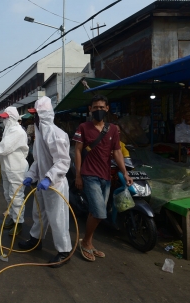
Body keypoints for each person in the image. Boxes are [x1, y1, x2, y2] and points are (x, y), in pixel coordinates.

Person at [73, 94, 133, 262]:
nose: (98, 110)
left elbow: (117, 152)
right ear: (90, 109)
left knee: (95, 211)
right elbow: (77, 150)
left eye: (101, 107)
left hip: (105, 176)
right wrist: (78, 174)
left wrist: (125, 173)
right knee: (99, 213)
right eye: (95, 107)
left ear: (107, 109)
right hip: (89, 174)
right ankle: (85, 242)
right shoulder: (83, 127)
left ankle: (89, 243)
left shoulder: (113, 129)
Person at [19, 96, 72, 268]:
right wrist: (31, 175)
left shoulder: (56, 135)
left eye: (36, 114)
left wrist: (49, 178)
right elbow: (38, 161)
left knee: (58, 219)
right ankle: (35, 240)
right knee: (39, 214)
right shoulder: (40, 135)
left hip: (55, 185)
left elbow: (63, 162)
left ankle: (64, 251)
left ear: (44, 115)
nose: (34, 118)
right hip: (43, 183)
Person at [0, 107, 29, 236]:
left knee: (16, 197)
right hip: (7, 167)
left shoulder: (17, 132)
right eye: (3, 118)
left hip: (16, 168)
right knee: (8, 195)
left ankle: (19, 223)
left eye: (6, 117)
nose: (4, 120)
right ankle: (13, 218)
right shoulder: (8, 131)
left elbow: (4, 148)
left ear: (12, 118)